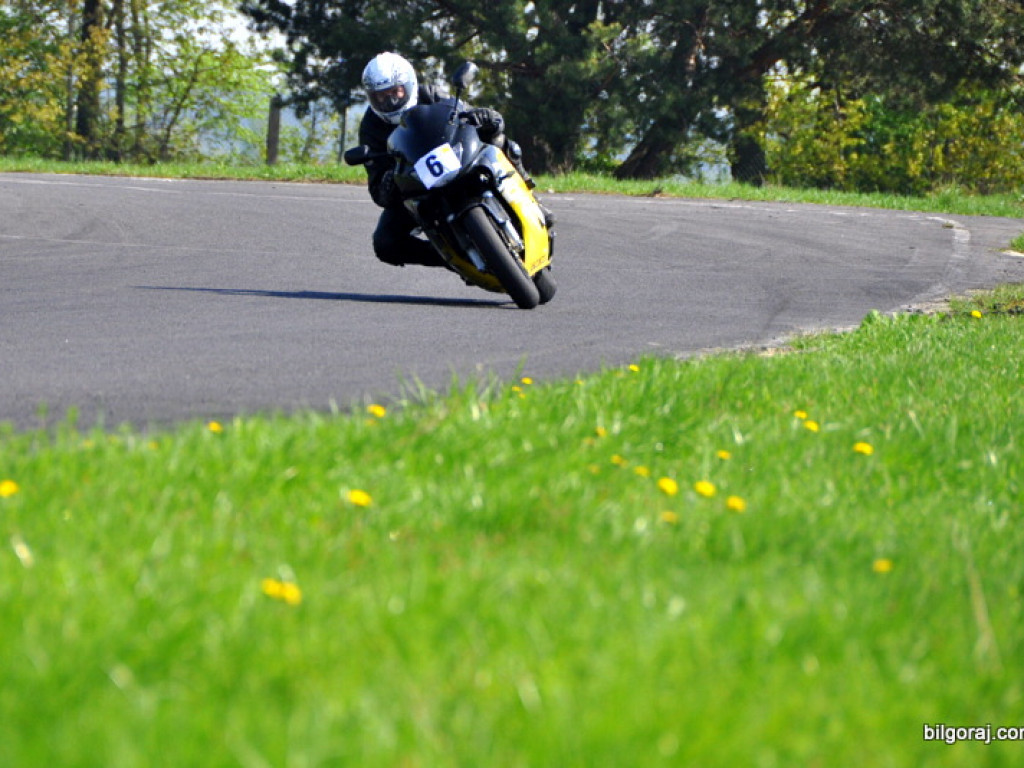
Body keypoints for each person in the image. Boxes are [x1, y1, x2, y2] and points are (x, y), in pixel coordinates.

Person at [357, 52, 547, 269]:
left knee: (500, 138)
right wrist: (387, 182)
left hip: (459, 159)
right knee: (385, 243)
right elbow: (377, 187)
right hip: (416, 185)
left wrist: (486, 117)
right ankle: (452, 258)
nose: (389, 101)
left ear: (408, 84)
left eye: (395, 92)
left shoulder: (430, 94)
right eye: (380, 97)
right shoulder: (371, 125)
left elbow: (465, 114)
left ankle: (533, 199)